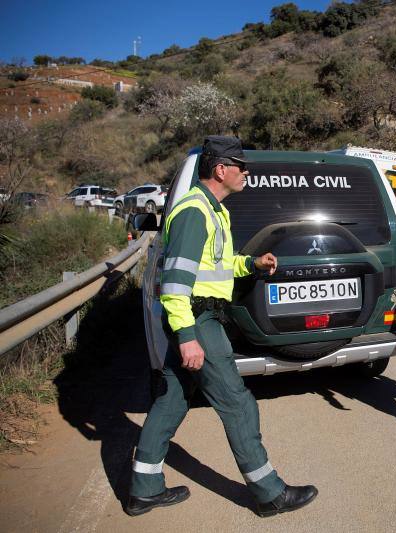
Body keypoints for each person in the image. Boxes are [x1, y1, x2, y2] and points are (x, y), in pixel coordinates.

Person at [126, 136, 317, 517]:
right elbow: (176, 283)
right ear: (220, 169)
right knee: (238, 404)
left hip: (201, 315)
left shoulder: (213, 211)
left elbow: (218, 264)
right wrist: (187, 337)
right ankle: (269, 493)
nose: (246, 172)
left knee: (171, 400)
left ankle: (143, 489)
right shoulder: (195, 211)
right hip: (197, 319)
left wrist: (252, 264)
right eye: (240, 166)